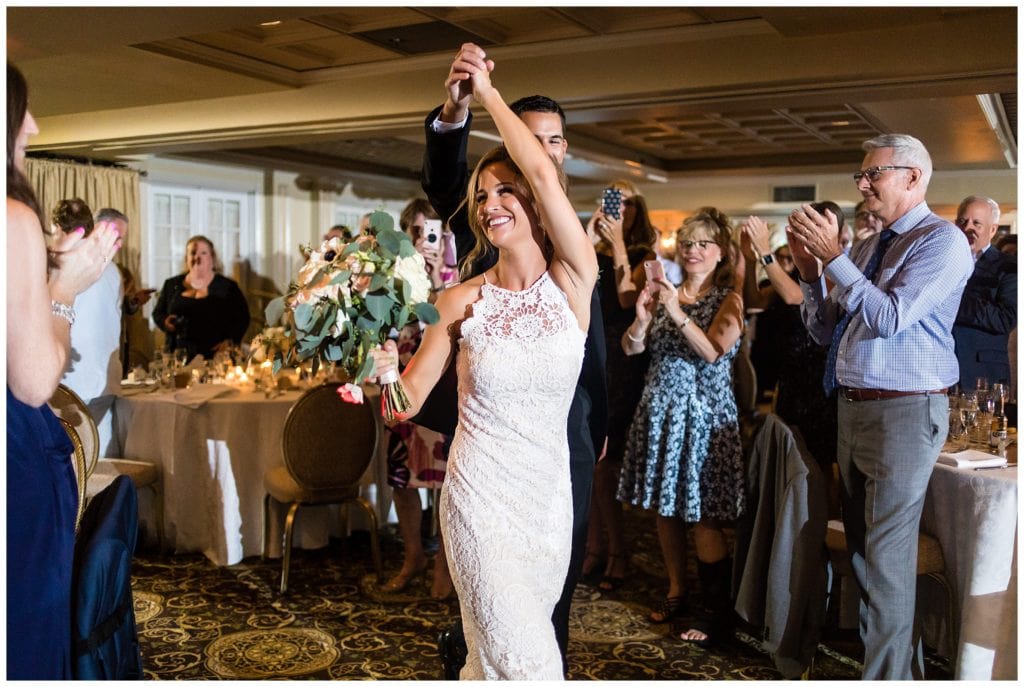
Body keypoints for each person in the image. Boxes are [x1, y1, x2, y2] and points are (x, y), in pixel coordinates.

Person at [370, 55, 598, 680]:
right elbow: (403, 407)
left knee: (499, 661)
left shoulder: (574, 280)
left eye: (505, 190)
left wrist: (489, 95)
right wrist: (385, 370)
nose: (491, 203)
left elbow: (549, 180)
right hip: (479, 501)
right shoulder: (460, 299)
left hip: (547, 501)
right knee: (527, 662)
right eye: (481, 195)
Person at [786, 133, 972, 680]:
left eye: (874, 174)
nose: (863, 186)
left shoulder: (942, 242)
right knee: (867, 561)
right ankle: (900, 673)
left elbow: (891, 318)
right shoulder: (869, 247)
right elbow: (825, 331)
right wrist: (810, 273)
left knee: (888, 565)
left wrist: (837, 259)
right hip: (855, 407)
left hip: (903, 412)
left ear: (913, 178)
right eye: (860, 177)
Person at [7, 61, 121, 679]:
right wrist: (66, 289)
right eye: (20, 109)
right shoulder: (12, 217)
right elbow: (32, 380)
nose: (34, 124)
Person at [619, 208, 745, 645]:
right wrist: (640, 318)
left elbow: (712, 351)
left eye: (702, 244)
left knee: (703, 518)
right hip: (660, 412)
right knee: (665, 510)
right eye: (687, 243)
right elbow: (633, 348)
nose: (692, 251)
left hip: (703, 420)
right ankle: (677, 589)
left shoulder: (729, 298)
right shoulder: (665, 292)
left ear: (721, 253)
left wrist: (674, 310)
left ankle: (716, 613)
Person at [583, 179, 657, 591]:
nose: (618, 207)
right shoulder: (595, 251)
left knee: (605, 462)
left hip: (624, 359)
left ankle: (618, 550)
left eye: (625, 200)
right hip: (590, 353)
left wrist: (617, 246)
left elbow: (629, 300)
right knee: (587, 456)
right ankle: (595, 545)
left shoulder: (645, 254)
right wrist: (593, 236)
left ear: (637, 208)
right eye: (612, 199)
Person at [380, 198, 453, 600]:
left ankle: (444, 560)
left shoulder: (454, 274)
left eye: (432, 231)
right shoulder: (390, 278)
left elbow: (449, 319)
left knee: (443, 480)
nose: (424, 239)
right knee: (401, 477)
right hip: (396, 377)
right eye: (417, 231)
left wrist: (439, 274)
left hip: (437, 386)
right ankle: (413, 556)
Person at [739, 205, 842, 472]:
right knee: (791, 463)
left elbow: (796, 298)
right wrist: (750, 260)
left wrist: (765, 253)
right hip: (791, 378)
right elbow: (754, 302)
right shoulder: (793, 274)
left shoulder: (837, 273)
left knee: (822, 464)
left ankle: (827, 514)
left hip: (821, 382)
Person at [53, 199, 124, 456]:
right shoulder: (112, 267)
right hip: (106, 379)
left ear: (57, 227)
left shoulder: (61, 263)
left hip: (70, 384)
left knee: (70, 464)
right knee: (102, 458)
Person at [951, 195, 1017, 390]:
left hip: (982, 372)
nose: (967, 228)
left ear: (993, 229)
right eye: (962, 221)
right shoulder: (944, 262)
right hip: (941, 369)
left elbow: (1006, 319)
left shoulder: (1008, 267)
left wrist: (955, 297)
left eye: (976, 223)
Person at [152, 235, 249, 360]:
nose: (197, 257)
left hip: (215, 354)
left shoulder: (228, 286)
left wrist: (230, 341)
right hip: (179, 354)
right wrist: (165, 322)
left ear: (212, 257)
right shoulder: (171, 284)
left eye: (203, 253)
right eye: (192, 253)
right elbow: (158, 313)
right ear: (186, 258)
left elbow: (243, 318)